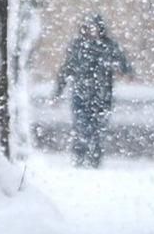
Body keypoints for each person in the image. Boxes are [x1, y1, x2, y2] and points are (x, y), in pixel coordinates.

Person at [53, 13, 133, 168]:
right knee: (81, 129)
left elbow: (123, 65)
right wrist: (57, 93)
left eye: (95, 27)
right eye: (89, 27)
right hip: (80, 96)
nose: (92, 31)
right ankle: (79, 160)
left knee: (98, 132)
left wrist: (126, 72)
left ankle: (94, 162)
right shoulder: (78, 46)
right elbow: (66, 70)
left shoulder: (109, 46)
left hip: (102, 98)